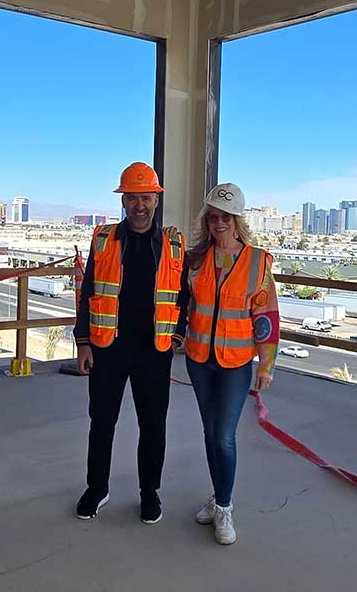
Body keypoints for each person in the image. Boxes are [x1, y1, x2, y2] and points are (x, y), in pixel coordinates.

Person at [74, 162, 185, 524]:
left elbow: (183, 295)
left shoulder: (173, 243)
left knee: (153, 425)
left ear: (156, 200)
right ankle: (97, 487)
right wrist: (83, 341)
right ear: (123, 201)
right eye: (132, 197)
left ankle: (149, 492)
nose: (139, 205)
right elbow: (88, 290)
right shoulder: (103, 239)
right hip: (109, 349)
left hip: (154, 352)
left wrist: (177, 337)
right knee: (101, 421)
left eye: (146, 197)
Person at [172, 182, 279, 545]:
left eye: (225, 217)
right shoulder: (195, 259)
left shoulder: (257, 261)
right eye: (213, 217)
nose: (218, 224)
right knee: (209, 432)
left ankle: (225, 507)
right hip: (199, 359)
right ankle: (218, 497)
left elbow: (265, 318)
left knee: (224, 435)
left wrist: (266, 365)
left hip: (235, 363)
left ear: (237, 220)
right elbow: (181, 304)